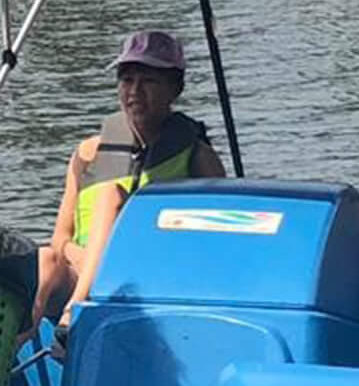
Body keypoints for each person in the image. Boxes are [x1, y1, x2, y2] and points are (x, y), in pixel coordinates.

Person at [35, 28, 229, 328]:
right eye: (127, 80)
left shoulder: (198, 158)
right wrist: (86, 259)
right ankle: (19, 345)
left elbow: (218, 241)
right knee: (43, 260)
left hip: (149, 282)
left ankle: (75, 313)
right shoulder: (87, 153)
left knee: (110, 195)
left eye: (149, 81)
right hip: (83, 273)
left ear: (174, 89)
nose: (135, 92)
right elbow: (61, 236)